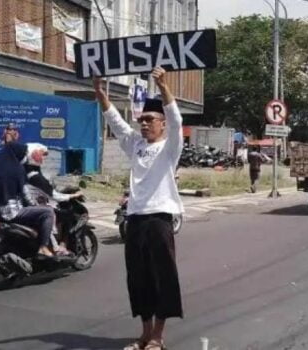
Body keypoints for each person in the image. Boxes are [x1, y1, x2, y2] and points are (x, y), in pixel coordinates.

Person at [94, 67, 184, 350]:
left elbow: (176, 119)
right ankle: (144, 333)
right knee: (138, 278)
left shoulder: (170, 147)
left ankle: (158, 335)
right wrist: (100, 94)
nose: (144, 124)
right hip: (135, 219)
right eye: (142, 120)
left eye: (150, 120)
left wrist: (163, 85)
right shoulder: (135, 145)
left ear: (161, 124)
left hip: (159, 219)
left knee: (162, 277)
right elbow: (117, 122)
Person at [0, 142, 56, 258]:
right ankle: (43, 247)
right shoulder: (17, 170)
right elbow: (26, 195)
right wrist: (35, 205)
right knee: (48, 212)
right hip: (10, 213)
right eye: (23, 154)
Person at [23, 143, 84, 256]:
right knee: (67, 215)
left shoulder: (24, 173)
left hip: (28, 205)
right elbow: (55, 196)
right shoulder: (35, 177)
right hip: (38, 207)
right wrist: (73, 196)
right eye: (41, 155)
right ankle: (61, 246)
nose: (43, 158)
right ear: (33, 156)